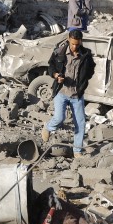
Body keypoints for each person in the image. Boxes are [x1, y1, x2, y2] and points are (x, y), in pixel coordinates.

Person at [41, 29, 96, 158]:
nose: (74, 47)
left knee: (80, 123)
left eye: (77, 44)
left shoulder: (86, 55)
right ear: (68, 40)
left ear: (81, 42)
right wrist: (55, 75)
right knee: (60, 118)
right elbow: (51, 66)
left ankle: (77, 151)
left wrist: (84, 81)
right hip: (61, 92)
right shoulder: (60, 52)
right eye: (72, 44)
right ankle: (48, 127)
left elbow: (91, 69)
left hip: (77, 95)